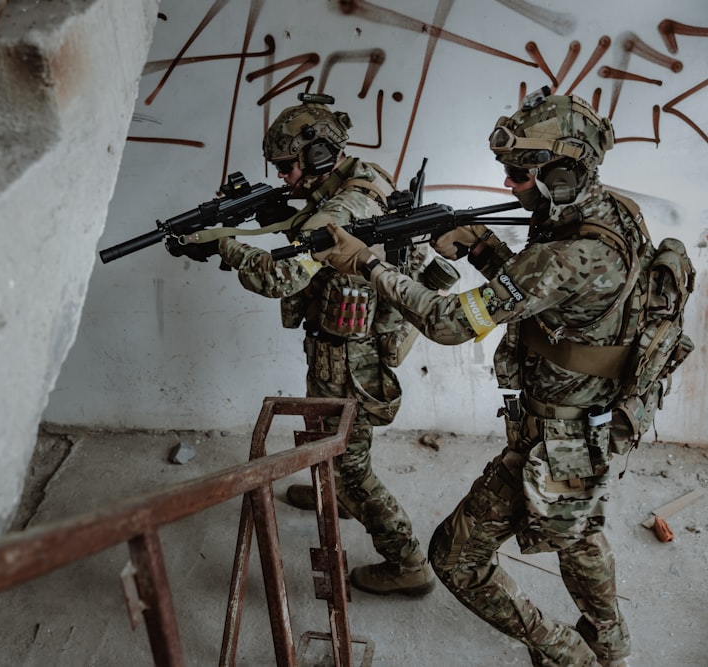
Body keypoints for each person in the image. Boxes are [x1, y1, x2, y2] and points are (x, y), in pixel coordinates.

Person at [315, 87, 635, 665]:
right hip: (591, 428)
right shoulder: (610, 217)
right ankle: (611, 640)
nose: (509, 185)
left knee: (454, 558)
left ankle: (568, 652)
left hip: (555, 442)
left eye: (520, 173)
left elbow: (450, 322)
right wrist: (484, 250)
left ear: (564, 173)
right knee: (578, 534)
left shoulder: (569, 253)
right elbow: (550, 299)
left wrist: (367, 262)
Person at [208, 93, 456, 597]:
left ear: (319, 155)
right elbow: (316, 223)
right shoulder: (357, 174)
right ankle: (337, 495)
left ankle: (407, 560)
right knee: (330, 440)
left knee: (349, 463)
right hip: (342, 341)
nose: (283, 177)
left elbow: (281, 277)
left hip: (350, 354)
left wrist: (222, 243)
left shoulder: (345, 205)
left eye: (287, 166)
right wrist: (281, 213)